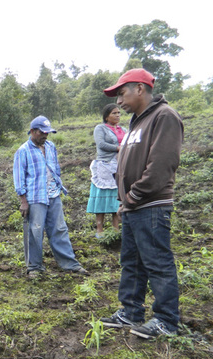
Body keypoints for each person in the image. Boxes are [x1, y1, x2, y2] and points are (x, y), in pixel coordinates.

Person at [100, 68, 183, 339]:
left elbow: (161, 165)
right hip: (133, 206)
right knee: (132, 262)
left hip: (151, 205)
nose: (119, 101)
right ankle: (130, 311)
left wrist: (134, 195)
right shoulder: (137, 122)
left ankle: (166, 320)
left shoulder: (164, 117)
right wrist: (124, 199)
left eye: (122, 93)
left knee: (157, 261)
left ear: (139, 89)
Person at [13, 116, 88, 278]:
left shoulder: (51, 146)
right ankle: (34, 267)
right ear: (33, 131)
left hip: (53, 194)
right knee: (35, 231)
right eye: (42, 132)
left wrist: (58, 186)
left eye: (47, 132)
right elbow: (19, 178)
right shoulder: (23, 151)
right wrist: (23, 201)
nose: (45, 135)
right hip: (35, 197)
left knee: (59, 229)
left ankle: (69, 263)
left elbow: (56, 169)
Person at [87, 104, 125, 237]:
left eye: (119, 113)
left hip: (119, 165)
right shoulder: (100, 128)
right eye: (114, 113)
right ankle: (100, 229)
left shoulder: (123, 129)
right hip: (104, 165)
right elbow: (101, 144)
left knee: (116, 196)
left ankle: (115, 229)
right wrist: (118, 148)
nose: (117, 115)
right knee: (102, 196)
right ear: (106, 115)